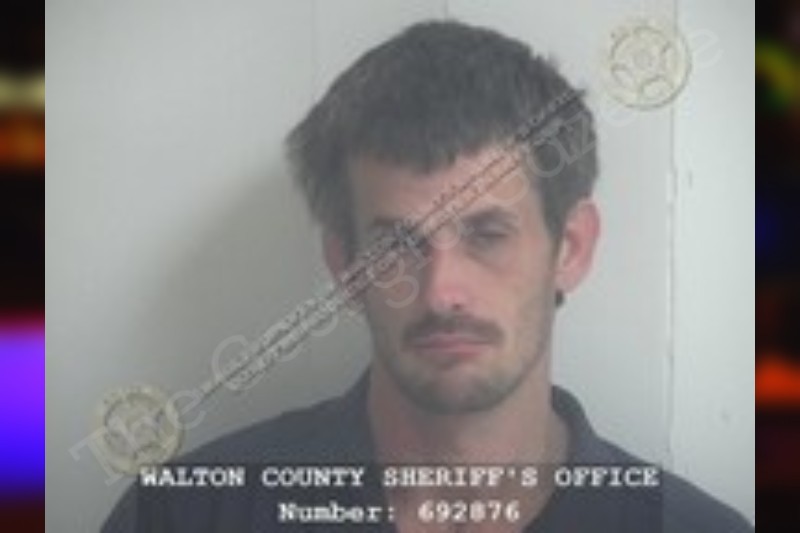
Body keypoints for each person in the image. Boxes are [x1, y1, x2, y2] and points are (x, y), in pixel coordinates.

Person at [102, 20, 752, 532]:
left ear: (572, 248)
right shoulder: (185, 516)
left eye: (488, 234)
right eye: (396, 246)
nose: (442, 292)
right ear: (345, 266)